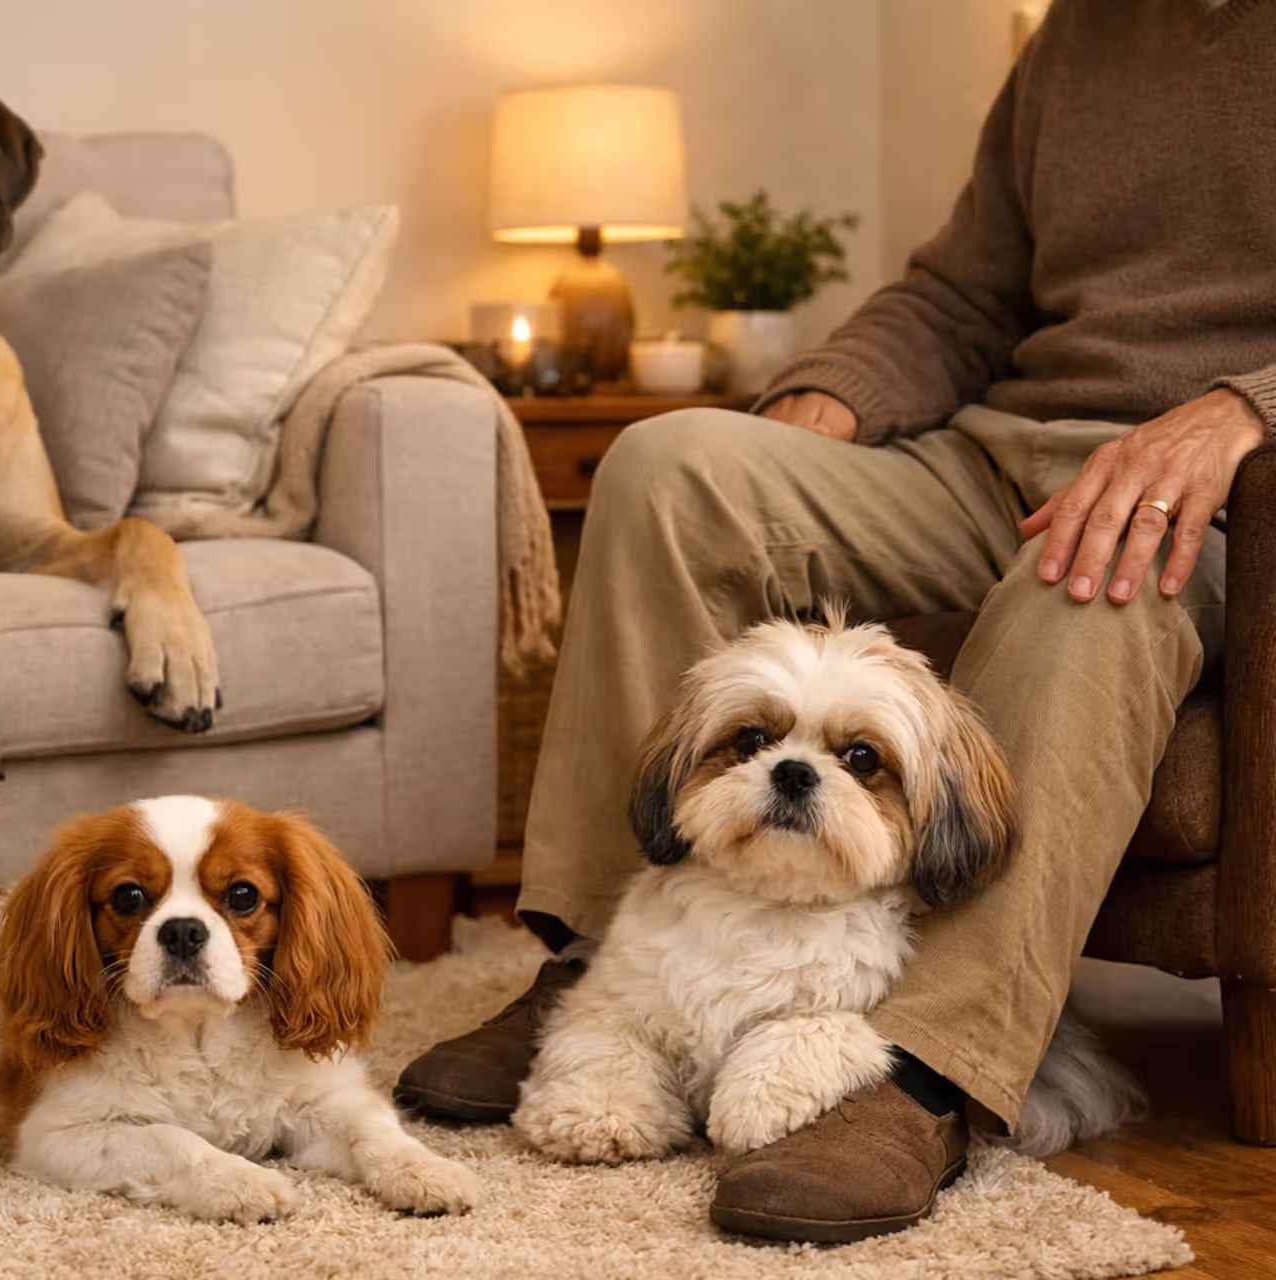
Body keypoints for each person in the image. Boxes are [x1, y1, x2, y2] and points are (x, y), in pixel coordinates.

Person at [397, 0, 1276, 1242]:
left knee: (1084, 587)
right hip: (997, 457)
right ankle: (604, 965)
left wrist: (1244, 406)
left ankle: (927, 1072)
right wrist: (820, 402)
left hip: (1219, 508)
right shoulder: (1077, 35)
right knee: (671, 466)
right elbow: (964, 294)